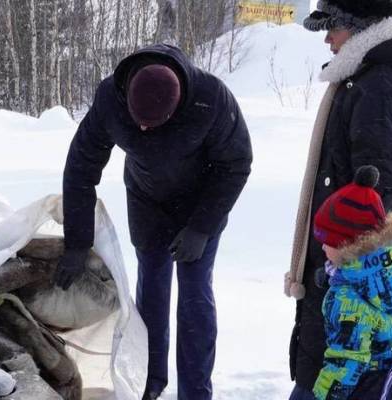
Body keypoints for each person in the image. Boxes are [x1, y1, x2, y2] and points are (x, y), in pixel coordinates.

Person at [55, 44, 252, 400]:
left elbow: (236, 164)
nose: (144, 129)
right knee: (153, 292)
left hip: (200, 204)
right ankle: (148, 381)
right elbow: (81, 169)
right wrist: (77, 242)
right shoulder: (110, 99)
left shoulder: (211, 98)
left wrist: (201, 227)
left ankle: (195, 392)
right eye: (138, 122)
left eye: (154, 123)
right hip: (147, 200)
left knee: (194, 294)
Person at [285, 1, 392, 398]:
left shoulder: (381, 88)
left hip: (363, 287)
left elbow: (370, 203)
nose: (327, 39)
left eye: (333, 27)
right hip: (356, 277)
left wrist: (337, 264)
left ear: (360, 28)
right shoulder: (369, 79)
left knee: (333, 383)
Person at [311, 165, 392, 399]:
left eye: (327, 241)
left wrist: (323, 395)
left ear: (347, 246)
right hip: (389, 382)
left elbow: (347, 361)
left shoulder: (346, 300)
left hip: (364, 388)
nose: (322, 247)